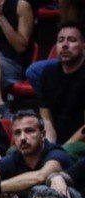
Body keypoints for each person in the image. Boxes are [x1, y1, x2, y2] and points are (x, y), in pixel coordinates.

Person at [37, 22, 85, 154]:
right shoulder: (48, 73)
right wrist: (50, 146)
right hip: (57, 140)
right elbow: (46, 117)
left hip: (79, 143)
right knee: (15, 151)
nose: (65, 45)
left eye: (72, 40)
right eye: (60, 40)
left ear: (83, 46)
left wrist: (61, 150)